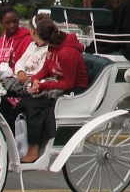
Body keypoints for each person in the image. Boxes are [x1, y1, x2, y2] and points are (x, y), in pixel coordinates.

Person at [19, 16, 86, 163]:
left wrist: (43, 85)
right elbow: (47, 68)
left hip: (74, 91)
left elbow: (68, 83)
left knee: (33, 107)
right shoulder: (53, 46)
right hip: (57, 83)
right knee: (25, 101)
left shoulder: (67, 53)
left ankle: (34, 150)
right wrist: (35, 79)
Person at [0, 5, 32, 77]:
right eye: (8, 22)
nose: (12, 25)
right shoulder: (0, 41)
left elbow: (27, 64)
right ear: (1, 23)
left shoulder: (27, 39)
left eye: (15, 21)